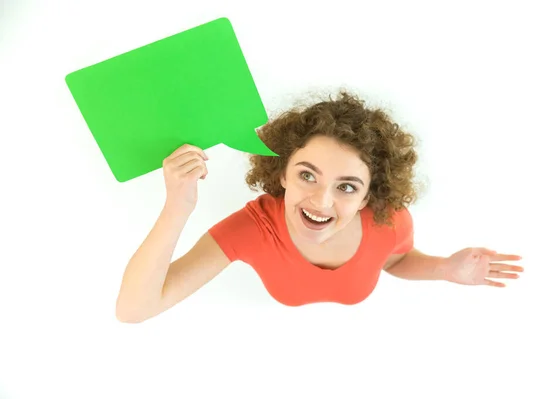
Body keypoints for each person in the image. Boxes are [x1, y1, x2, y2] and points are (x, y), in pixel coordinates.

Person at [115, 91, 524, 323]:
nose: (321, 202)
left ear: (368, 197)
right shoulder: (252, 229)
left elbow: (394, 262)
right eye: (307, 175)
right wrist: (177, 207)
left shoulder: (389, 221)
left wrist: (445, 269)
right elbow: (135, 309)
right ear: (281, 174)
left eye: (347, 186)